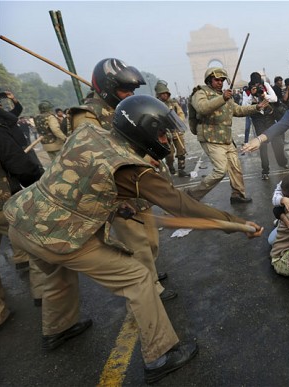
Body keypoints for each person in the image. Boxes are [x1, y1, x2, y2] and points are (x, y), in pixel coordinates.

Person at [4, 95, 264, 383]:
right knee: (138, 278)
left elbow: (81, 179)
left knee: (56, 274)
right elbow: (183, 206)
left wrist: (115, 203)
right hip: (59, 235)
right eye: (162, 132)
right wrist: (235, 224)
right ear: (144, 130)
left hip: (23, 220)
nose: (165, 138)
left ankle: (58, 328)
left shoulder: (87, 131)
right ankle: (160, 355)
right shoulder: (131, 169)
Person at [69, 58, 175, 301]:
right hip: (119, 192)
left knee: (151, 240)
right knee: (138, 244)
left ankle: (151, 273)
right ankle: (151, 289)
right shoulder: (88, 116)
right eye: (124, 89)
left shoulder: (124, 107)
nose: (129, 94)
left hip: (140, 186)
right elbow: (89, 157)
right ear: (106, 86)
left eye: (132, 90)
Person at [185, 67, 267, 204]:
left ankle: (238, 194)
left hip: (226, 138)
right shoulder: (200, 93)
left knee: (235, 167)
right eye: (217, 79)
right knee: (220, 170)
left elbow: (238, 110)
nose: (220, 82)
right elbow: (202, 108)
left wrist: (256, 108)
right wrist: (222, 98)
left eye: (222, 80)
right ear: (209, 80)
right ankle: (191, 195)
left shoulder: (226, 95)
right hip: (210, 138)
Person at [0, 113, 46, 325]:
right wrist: (38, 177)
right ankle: (43, 292)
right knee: (35, 243)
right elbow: (18, 164)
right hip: (3, 202)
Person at [245, 80, 289, 180]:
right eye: (254, 86)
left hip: (269, 118)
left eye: (258, 85)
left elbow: (274, 99)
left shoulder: (266, 87)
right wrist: (251, 95)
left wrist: (264, 95)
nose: (257, 88)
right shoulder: (247, 92)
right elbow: (244, 106)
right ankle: (265, 170)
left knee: (278, 142)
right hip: (258, 121)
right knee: (263, 146)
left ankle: (283, 162)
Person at [155, 80, 190, 177]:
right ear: (158, 94)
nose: (165, 95)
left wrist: (178, 122)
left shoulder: (173, 103)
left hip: (176, 131)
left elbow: (180, 113)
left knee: (181, 151)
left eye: (166, 93)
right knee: (169, 154)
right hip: (165, 133)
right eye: (162, 94)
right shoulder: (155, 105)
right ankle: (170, 166)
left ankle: (181, 169)